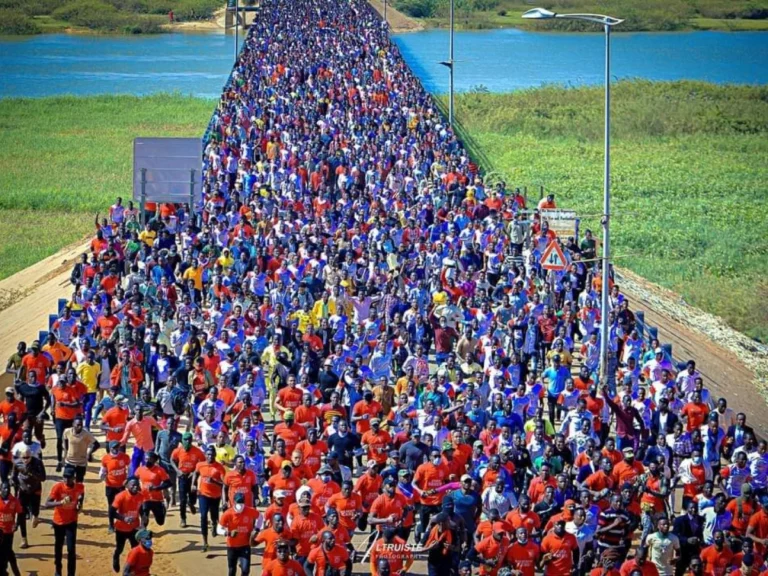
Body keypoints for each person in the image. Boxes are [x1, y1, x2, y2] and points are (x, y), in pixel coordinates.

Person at [46, 466, 84, 576]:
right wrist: (61, 503)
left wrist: (79, 506)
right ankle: (58, 569)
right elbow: (47, 503)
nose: (66, 480)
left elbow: (80, 499)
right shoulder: (58, 487)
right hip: (59, 522)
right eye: (65, 477)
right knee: (58, 547)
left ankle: (71, 573)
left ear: (74, 478)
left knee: (71, 549)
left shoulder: (80, 487)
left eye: (69, 477)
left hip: (72, 522)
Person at [219, 492, 262, 576]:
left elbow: (260, 517)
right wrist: (228, 533)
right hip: (232, 546)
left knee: (245, 570)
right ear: (234, 502)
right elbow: (219, 528)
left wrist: (257, 529)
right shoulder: (228, 513)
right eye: (238, 502)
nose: (240, 504)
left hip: (245, 545)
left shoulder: (249, 511)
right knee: (232, 569)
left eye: (242, 502)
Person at [192, 445, 226, 551]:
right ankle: (205, 542)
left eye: (212, 454)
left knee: (214, 516)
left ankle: (214, 524)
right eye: (208, 454)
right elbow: (196, 473)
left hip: (215, 496)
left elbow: (224, 484)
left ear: (215, 455)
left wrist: (215, 481)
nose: (210, 456)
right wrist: (193, 483)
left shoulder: (219, 467)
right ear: (205, 455)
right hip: (203, 494)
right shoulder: (200, 465)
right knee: (203, 517)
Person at [111, 477, 145, 573]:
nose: (135, 487)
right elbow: (112, 512)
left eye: (137, 485)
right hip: (121, 528)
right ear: (127, 486)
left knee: (135, 549)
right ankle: (116, 556)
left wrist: (143, 521)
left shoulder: (141, 496)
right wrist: (123, 518)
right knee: (120, 548)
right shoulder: (121, 496)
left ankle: (131, 568)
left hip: (135, 528)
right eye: (133, 485)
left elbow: (142, 511)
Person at [0, 481, 21, 576]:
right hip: (0, 531)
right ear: (0, 489)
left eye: (8, 488)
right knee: (4, 552)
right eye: (4, 488)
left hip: (9, 531)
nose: (6, 490)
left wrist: (17, 524)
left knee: (7, 551)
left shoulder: (14, 501)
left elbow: (20, 513)